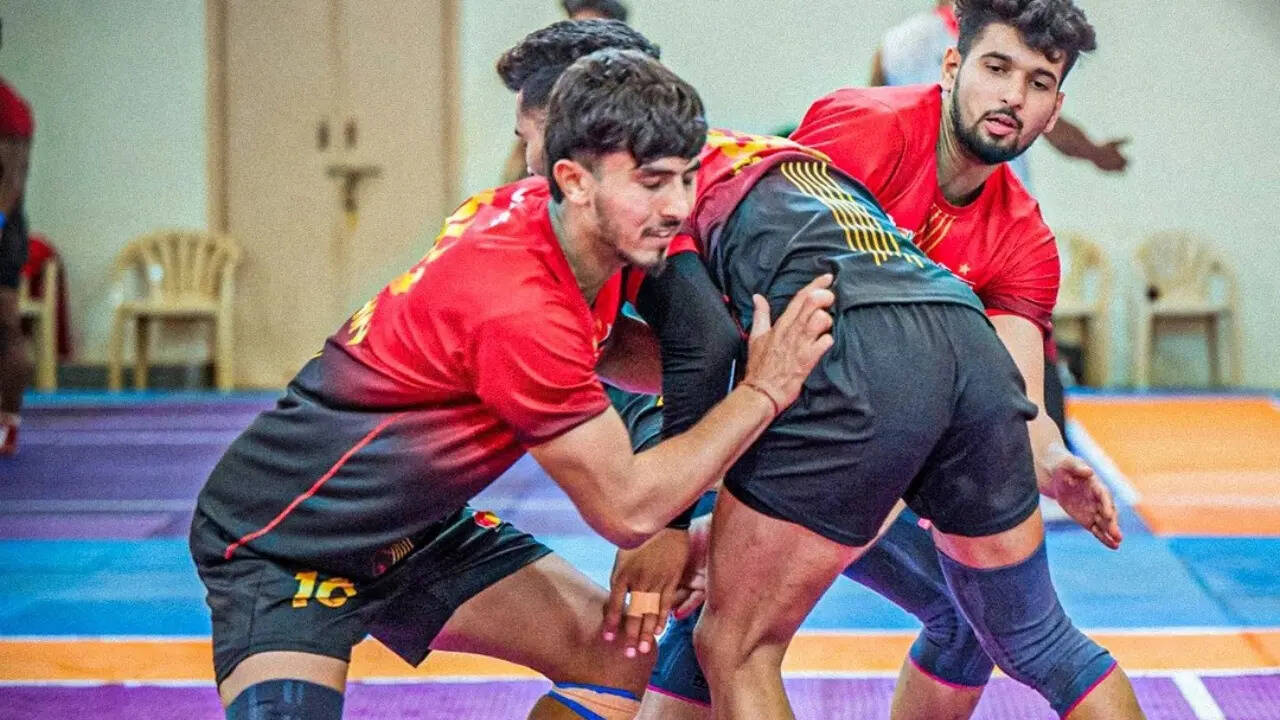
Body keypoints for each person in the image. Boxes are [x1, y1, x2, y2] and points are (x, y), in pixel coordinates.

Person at [189, 49, 836, 720]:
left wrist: (753, 376)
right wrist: (763, 392)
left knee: (618, 655)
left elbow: (614, 345)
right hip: (285, 540)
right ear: (573, 180)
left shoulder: (560, 226)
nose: (676, 207)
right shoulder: (516, 305)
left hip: (417, 531)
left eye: (686, 179)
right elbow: (628, 511)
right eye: (651, 183)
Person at [871, 0, 1129, 189]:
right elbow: (1050, 126)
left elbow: (875, 124)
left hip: (915, 213)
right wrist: (1095, 153)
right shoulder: (1001, 34)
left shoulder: (896, 44)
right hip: (985, 216)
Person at [0, 17, 34, 456]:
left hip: (3, 227)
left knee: (4, 325)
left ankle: (7, 423)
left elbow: (12, 181)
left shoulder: (9, 107)